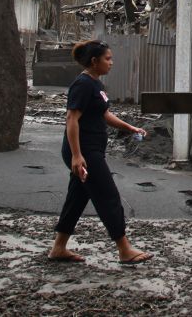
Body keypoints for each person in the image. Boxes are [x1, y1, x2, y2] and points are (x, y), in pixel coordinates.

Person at [48, 40, 153, 264]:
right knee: (108, 196)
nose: (111, 63)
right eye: (108, 59)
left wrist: (130, 127)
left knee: (77, 197)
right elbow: (71, 119)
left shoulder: (96, 85)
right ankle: (124, 249)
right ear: (94, 61)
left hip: (92, 150)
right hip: (84, 152)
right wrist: (77, 155)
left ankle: (58, 248)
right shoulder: (82, 84)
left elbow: (104, 115)